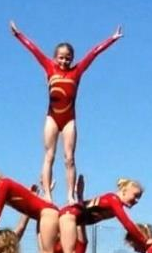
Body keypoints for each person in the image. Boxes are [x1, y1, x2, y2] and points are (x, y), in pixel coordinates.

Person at [9, 21, 123, 205]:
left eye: (68, 58)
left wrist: (112, 39)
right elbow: (34, 50)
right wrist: (18, 35)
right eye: (61, 57)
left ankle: (70, 195)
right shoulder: (49, 67)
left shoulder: (77, 71)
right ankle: (47, 194)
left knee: (69, 158)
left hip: (69, 119)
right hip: (52, 117)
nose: (64, 61)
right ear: (55, 57)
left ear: (72, 58)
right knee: (49, 155)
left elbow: (94, 53)